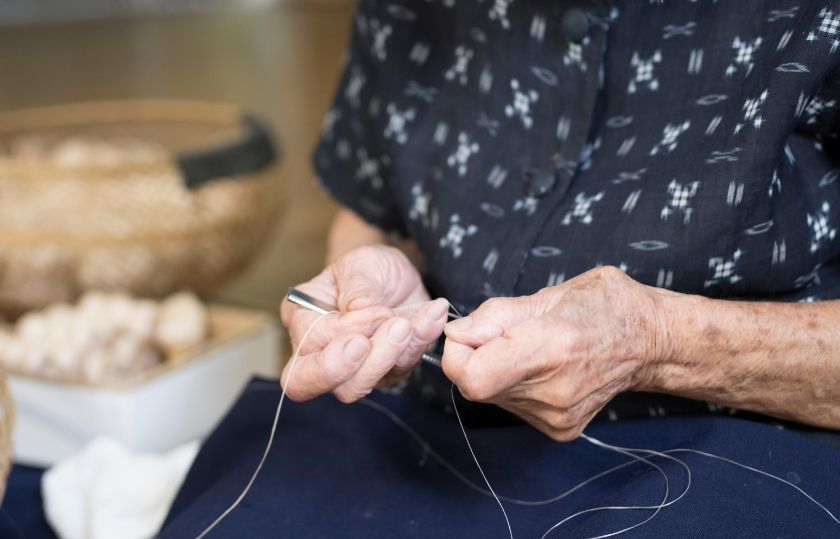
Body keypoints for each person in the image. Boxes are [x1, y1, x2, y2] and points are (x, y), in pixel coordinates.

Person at [281, 0, 840, 441]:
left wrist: (657, 341)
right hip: (421, 435)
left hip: (738, 460)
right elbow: (370, 213)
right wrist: (365, 300)